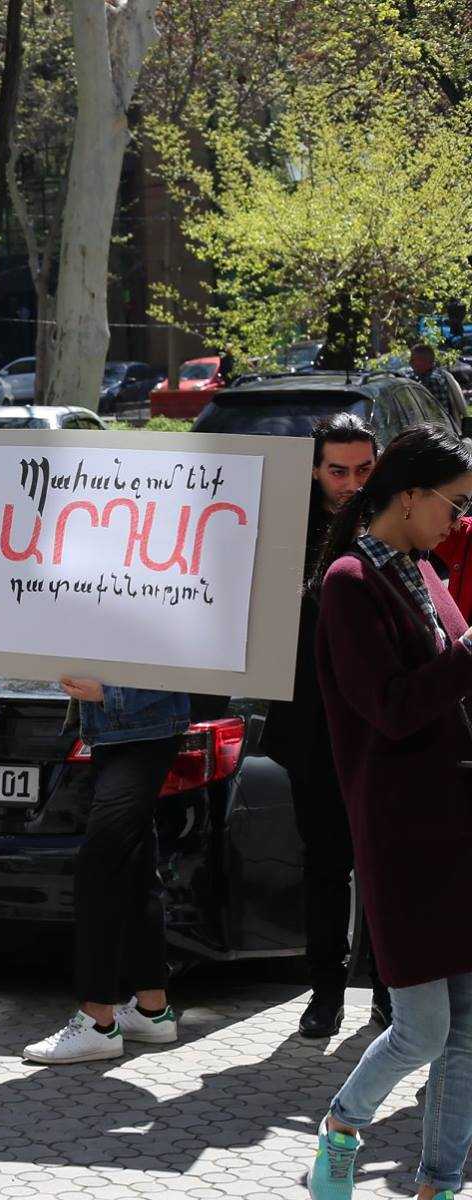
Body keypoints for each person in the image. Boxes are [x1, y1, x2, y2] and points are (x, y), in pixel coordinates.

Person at [304, 424, 472, 1200]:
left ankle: (438, 1197)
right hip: (401, 830)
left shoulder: (429, 571)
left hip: (459, 823)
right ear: (410, 495)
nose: (459, 519)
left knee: (469, 1027)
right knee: (424, 1028)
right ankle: (343, 1125)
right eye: (454, 501)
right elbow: (396, 706)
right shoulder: (347, 582)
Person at [263, 414, 389, 1037]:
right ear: (314, 469)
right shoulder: (286, 529)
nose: (349, 482)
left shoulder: (396, 519)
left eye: (363, 469)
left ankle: (390, 993)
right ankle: (326, 994)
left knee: (385, 860)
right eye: (337, 470)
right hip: (312, 719)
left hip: (384, 721)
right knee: (325, 861)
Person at [21, 680, 191, 1064]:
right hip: (114, 733)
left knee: (99, 870)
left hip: (143, 730)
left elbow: (176, 649)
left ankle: (97, 1021)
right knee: (135, 870)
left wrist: (109, 694)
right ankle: (152, 1010)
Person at [411, 343, 470, 436]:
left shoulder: (432, 380)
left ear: (424, 361)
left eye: (413, 359)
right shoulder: (439, 373)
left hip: (440, 433)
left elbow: (437, 415)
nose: (411, 363)